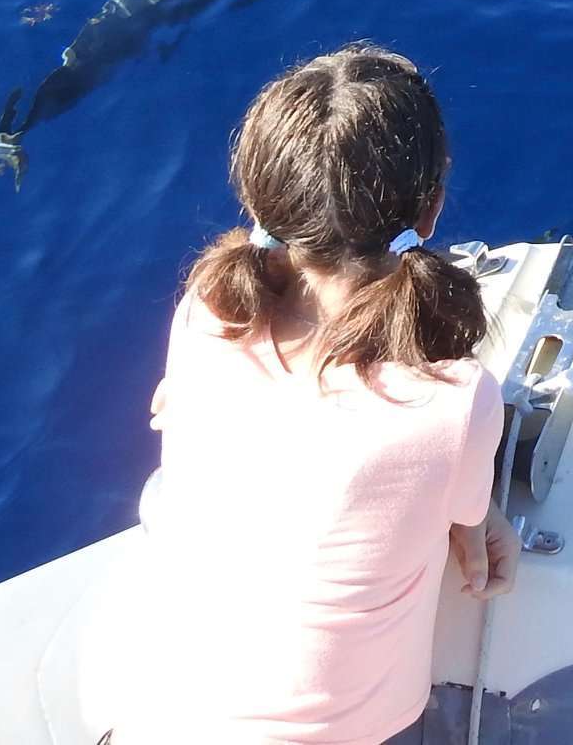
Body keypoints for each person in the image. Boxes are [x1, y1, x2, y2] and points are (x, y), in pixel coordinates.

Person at [113, 45, 517, 745]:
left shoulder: (204, 313)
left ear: (264, 194)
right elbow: (464, 513)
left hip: (161, 710)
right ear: (433, 209)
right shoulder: (453, 400)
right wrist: (482, 518)